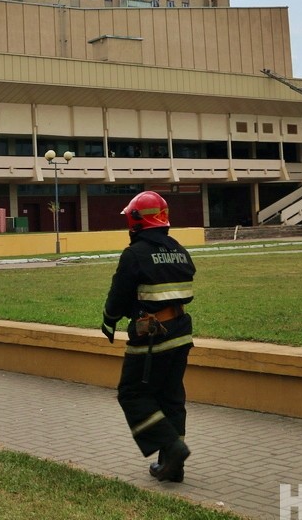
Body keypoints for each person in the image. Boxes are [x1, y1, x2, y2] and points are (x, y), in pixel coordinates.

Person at [100, 190, 196, 483]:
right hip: (181, 333)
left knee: (132, 393)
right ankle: (171, 467)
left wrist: (109, 320)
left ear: (135, 220)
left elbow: (118, 296)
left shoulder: (135, 254)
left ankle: (171, 447)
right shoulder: (178, 249)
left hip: (152, 337)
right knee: (171, 397)